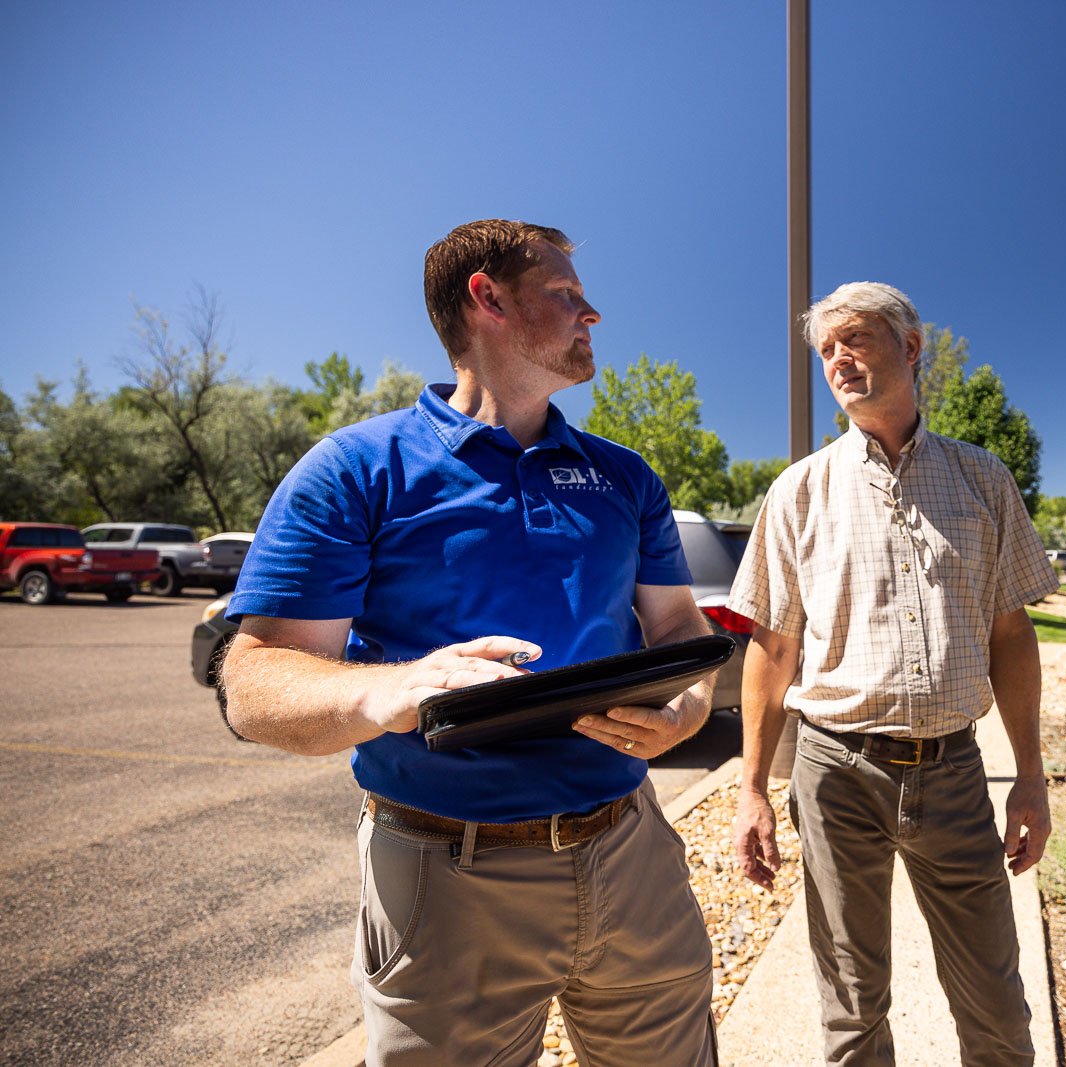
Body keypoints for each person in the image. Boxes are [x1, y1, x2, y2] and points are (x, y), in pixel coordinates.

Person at [223, 220, 719, 1067]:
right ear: (486, 298)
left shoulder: (624, 476)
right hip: (446, 875)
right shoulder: (354, 470)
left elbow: (682, 631)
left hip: (631, 850)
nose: (591, 313)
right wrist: (385, 691)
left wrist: (685, 706)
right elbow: (252, 683)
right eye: (565, 294)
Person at [728, 282, 1058, 1065]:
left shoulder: (983, 479)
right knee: (852, 1011)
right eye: (826, 349)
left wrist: (1033, 774)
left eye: (857, 338)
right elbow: (772, 651)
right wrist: (751, 789)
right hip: (835, 773)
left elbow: (1012, 632)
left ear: (911, 347)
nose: (839, 358)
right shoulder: (798, 491)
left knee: (997, 1010)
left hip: (953, 773)